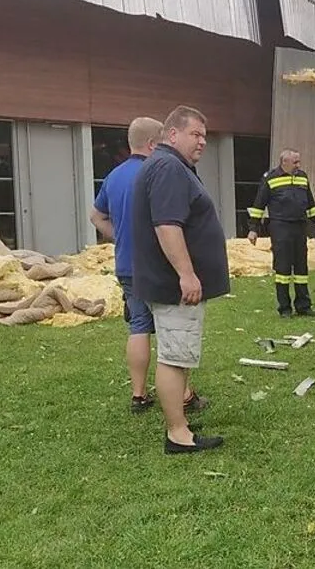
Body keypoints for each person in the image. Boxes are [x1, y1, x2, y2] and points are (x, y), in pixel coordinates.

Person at [90, 117, 206, 415]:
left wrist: (122, 236)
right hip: (157, 266)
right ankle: (183, 395)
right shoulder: (159, 171)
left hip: (126, 264)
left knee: (138, 325)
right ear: (155, 144)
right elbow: (169, 222)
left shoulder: (113, 176)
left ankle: (138, 395)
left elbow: (96, 216)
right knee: (173, 330)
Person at [132, 105, 230, 454]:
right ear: (172, 134)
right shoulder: (169, 168)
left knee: (181, 353)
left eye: (205, 135)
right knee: (174, 356)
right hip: (174, 287)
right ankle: (177, 433)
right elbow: (167, 225)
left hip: (173, 284)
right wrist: (186, 274)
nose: (202, 141)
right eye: (195, 134)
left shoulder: (170, 166)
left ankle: (180, 421)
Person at [247, 149, 315, 318]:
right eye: (295, 162)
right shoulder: (270, 178)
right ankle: (285, 308)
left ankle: (303, 305)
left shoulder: (302, 177)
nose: (298, 165)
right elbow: (259, 204)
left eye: (299, 162)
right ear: (284, 163)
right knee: (282, 269)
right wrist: (253, 229)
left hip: (299, 226)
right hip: (280, 227)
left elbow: (310, 202)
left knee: (301, 268)